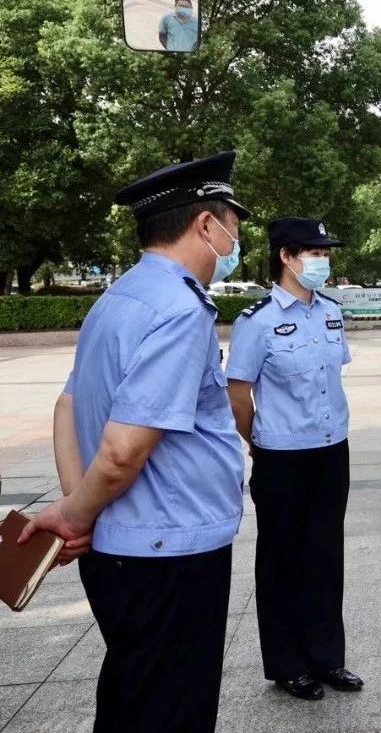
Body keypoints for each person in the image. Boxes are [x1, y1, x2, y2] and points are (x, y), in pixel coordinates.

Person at [19, 152, 249, 733]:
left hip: (120, 546)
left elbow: (67, 405)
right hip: (168, 553)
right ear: (206, 225)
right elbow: (123, 450)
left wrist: (80, 510)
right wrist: (74, 513)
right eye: (233, 229)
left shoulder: (116, 299)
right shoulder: (178, 309)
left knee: (134, 692)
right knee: (170, 706)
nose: (233, 244)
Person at [225, 217, 362, 701]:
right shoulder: (256, 320)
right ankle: (287, 664)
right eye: (313, 252)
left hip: (331, 451)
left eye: (326, 253)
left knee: (326, 556)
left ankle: (327, 659)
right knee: (282, 560)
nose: (322, 260)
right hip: (281, 455)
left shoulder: (330, 312)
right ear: (286, 256)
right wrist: (256, 443)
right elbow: (238, 393)